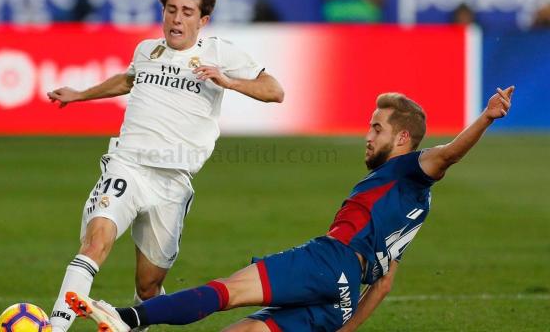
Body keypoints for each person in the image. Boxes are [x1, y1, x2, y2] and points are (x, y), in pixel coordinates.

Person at [64, 87, 515, 332]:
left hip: (327, 261)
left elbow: (450, 153)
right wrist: (347, 327)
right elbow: (387, 278)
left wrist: (486, 118)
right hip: (343, 296)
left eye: (376, 128)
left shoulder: (410, 169)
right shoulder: (414, 207)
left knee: (228, 292)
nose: (368, 135)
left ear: (401, 140)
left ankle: (127, 319)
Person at [45, 0, 285, 331]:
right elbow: (128, 79)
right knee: (96, 242)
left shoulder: (219, 53)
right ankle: (55, 326)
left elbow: (274, 91)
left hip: (173, 181)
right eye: (171, 10)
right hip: (127, 165)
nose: (177, 18)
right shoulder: (146, 51)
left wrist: (227, 81)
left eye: (187, 12)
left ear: (203, 20)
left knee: (149, 286)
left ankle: (134, 322)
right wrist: (80, 94)